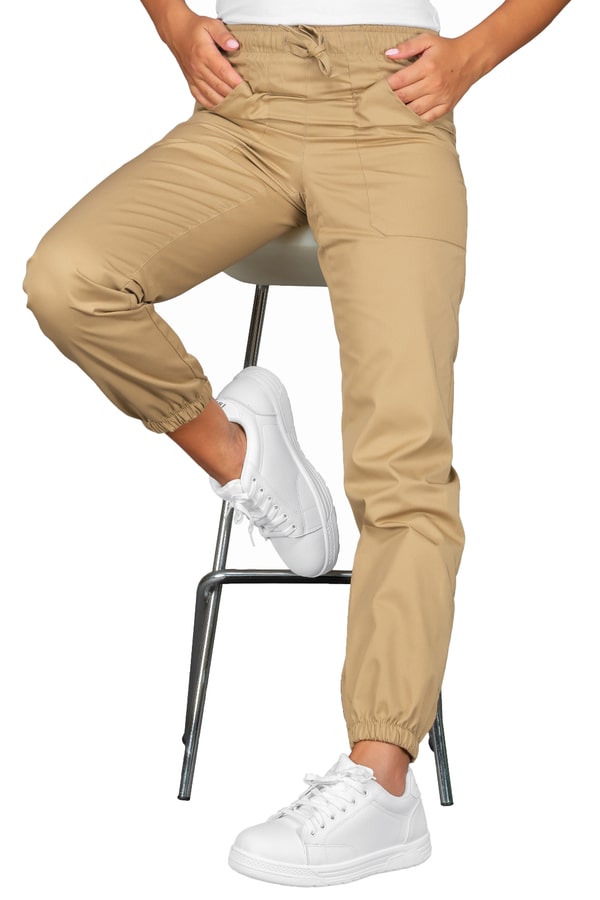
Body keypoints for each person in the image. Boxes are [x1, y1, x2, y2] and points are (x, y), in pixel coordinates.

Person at [23, 0, 571, 887]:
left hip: (394, 104)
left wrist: (474, 54)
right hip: (247, 99)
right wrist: (174, 24)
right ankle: (238, 451)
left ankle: (382, 780)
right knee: (69, 279)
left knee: (404, 460)